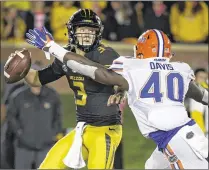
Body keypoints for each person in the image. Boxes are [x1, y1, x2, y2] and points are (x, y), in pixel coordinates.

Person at [25, 27, 208, 168]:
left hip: (176, 140)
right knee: (151, 166)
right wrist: (124, 89)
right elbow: (199, 94)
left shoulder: (134, 66)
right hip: (183, 135)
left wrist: (52, 47)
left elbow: (93, 70)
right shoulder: (180, 69)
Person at [23, 9, 123, 169]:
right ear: (72, 31)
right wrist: (22, 68)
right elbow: (37, 79)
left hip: (105, 130)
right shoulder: (65, 55)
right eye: (82, 29)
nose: (86, 34)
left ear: (98, 34)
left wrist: (121, 90)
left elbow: (123, 79)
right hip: (82, 130)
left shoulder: (106, 54)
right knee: (48, 166)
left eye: (91, 30)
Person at [6, 66, 63, 168]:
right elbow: (11, 118)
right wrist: (20, 133)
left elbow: (58, 117)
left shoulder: (52, 95)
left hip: (46, 146)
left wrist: (52, 134)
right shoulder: (18, 96)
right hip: (23, 147)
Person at [188, 68, 208, 137]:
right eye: (201, 77)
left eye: (204, 78)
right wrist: (201, 132)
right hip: (202, 132)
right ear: (194, 77)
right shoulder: (196, 94)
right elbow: (196, 114)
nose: (203, 80)